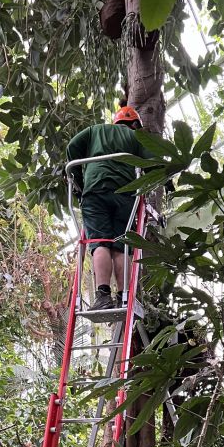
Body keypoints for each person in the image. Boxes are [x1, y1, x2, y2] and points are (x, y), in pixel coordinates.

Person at [66, 104, 148, 311]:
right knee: (121, 245)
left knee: (100, 242)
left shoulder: (95, 130)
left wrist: (78, 180)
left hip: (96, 192)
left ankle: (103, 296)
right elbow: (153, 161)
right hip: (125, 193)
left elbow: (72, 147)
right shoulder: (136, 137)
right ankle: (124, 296)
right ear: (135, 125)